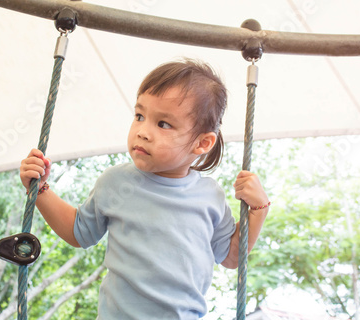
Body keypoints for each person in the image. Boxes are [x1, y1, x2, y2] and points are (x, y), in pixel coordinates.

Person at [20, 59, 269, 319]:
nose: (142, 131)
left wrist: (258, 210)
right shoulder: (116, 182)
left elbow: (231, 257)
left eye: (163, 124)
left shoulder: (210, 196)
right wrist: (41, 189)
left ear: (202, 143)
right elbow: (79, 232)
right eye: (139, 116)